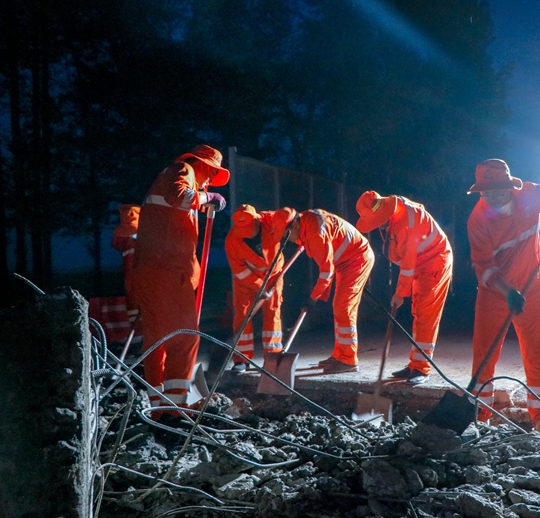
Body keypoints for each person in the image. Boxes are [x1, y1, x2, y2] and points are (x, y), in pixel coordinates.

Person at [466, 158, 540, 431]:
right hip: (494, 294)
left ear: (510, 187)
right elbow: (485, 267)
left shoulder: (530, 193)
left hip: (532, 288)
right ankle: (478, 418)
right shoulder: (478, 220)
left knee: (538, 355)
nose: (491, 197)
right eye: (486, 192)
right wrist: (509, 291)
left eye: (497, 191)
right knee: (484, 358)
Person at [132, 145, 228, 418]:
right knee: (184, 340)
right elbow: (180, 196)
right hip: (168, 272)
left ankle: (159, 408)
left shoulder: (167, 178)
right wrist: (208, 196)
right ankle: (175, 410)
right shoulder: (182, 170)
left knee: (157, 342)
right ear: (204, 166)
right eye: (211, 174)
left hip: (151, 273)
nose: (209, 180)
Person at [355, 191, 453, 384]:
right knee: (419, 313)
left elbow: (408, 264)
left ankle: (422, 369)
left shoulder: (405, 225)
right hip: (422, 262)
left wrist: (400, 294)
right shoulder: (393, 207)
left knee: (425, 315)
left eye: (378, 222)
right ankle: (415, 365)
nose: (378, 227)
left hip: (434, 263)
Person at [273, 208, 374, 373]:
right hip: (346, 261)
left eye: (286, 234)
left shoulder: (315, 234)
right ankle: (339, 355)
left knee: (344, 308)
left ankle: (348, 360)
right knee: (339, 307)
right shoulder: (307, 221)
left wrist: (313, 298)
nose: (287, 239)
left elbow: (326, 271)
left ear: (295, 224)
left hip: (357, 259)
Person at [225, 204, 291, 373]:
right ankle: (241, 359)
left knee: (272, 311)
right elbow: (239, 270)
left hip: (274, 274)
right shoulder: (232, 240)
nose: (245, 235)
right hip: (246, 279)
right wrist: (259, 287)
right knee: (242, 313)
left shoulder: (270, 220)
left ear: (257, 221)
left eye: (249, 229)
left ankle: (272, 357)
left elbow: (290, 217)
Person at [111, 204, 141, 334]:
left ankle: (143, 338)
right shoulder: (125, 240)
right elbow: (116, 243)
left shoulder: (147, 240)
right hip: (131, 279)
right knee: (134, 309)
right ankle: (138, 337)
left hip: (143, 279)